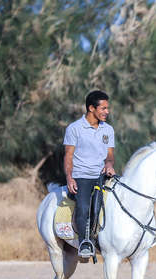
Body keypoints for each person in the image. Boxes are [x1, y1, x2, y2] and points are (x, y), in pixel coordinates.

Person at [63, 90, 115, 258]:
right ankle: (85, 242)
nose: (107, 112)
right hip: (82, 176)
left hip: (102, 175)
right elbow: (68, 156)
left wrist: (109, 164)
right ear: (91, 108)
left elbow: (110, 155)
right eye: (103, 108)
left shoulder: (108, 130)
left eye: (108, 108)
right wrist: (69, 178)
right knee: (84, 207)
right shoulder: (74, 128)